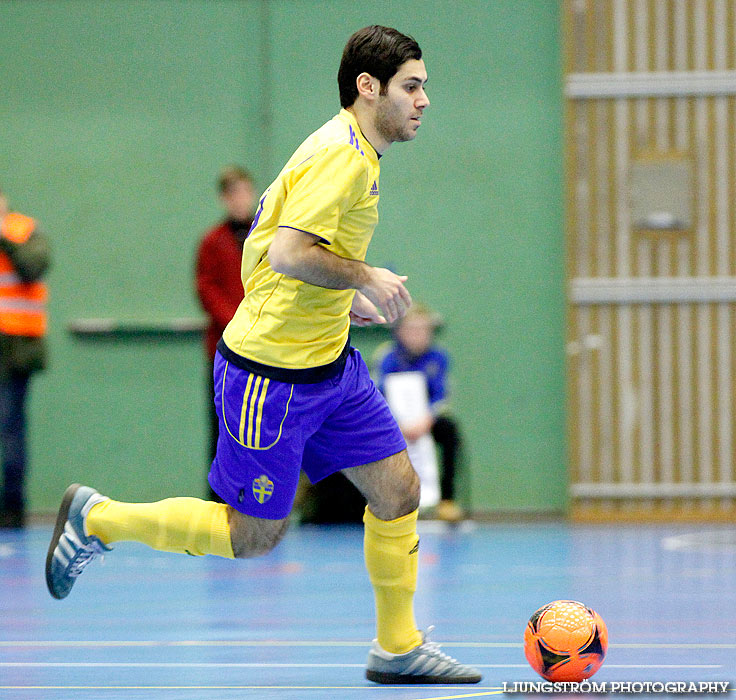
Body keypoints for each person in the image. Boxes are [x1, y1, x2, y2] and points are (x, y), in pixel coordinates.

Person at [45, 26, 481, 685]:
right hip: (270, 382)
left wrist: (341, 301)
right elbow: (288, 252)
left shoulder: (352, 151)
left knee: (399, 491)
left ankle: (398, 646)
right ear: (369, 88)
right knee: (255, 536)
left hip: (330, 367)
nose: (424, 101)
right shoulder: (343, 157)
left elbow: (269, 253)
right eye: (412, 87)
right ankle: (100, 519)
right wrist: (365, 277)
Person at [195, 166, 255, 499]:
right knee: (222, 427)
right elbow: (206, 289)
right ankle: (219, 499)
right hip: (224, 351)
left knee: (261, 428)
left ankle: (258, 497)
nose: (240, 200)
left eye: (245, 192)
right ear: (223, 199)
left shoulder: (267, 235)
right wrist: (237, 323)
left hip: (263, 351)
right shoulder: (212, 242)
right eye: (233, 194)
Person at [375, 304, 466, 522]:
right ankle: (384, 499)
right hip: (395, 422)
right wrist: (398, 423)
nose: (418, 335)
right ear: (399, 332)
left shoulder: (439, 357)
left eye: (423, 330)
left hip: (425, 421)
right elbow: (379, 395)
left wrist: (427, 419)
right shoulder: (388, 357)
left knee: (450, 430)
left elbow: (442, 395)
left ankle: (447, 500)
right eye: (412, 329)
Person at [0, 187, 50, 528]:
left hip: (16, 346)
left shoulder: (25, 230)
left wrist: (4, 237)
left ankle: (11, 508)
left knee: (10, 426)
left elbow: (33, 267)